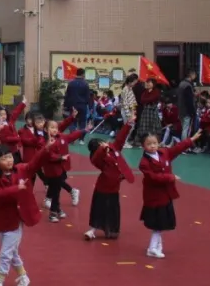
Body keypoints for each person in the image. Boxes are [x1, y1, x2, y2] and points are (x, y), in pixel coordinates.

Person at [0, 139, 54, 286]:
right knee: (11, 252)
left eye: (9, 156)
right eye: (4, 158)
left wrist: (46, 148)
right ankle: (23, 277)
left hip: (17, 220)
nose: (9, 160)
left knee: (5, 253)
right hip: (3, 219)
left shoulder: (22, 169)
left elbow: (35, 163)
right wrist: (17, 188)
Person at [138, 129, 202, 258]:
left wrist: (191, 140)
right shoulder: (144, 163)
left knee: (160, 223)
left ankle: (157, 246)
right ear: (143, 146)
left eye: (154, 143)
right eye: (149, 144)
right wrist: (170, 177)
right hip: (154, 196)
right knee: (158, 224)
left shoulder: (164, 153)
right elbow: (153, 178)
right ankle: (152, 247)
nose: (152, 146)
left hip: (166, 194)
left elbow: (177, 148)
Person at [84, 119, 134, 240]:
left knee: (112, 211)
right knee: (99, 209)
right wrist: (102, 149)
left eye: (103, 143)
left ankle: (110, 229)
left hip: (114, 188)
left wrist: (128, 124)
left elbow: (120, 139)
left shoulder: (113, 150)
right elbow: (97, 157)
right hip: (102, 188)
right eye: (100, 145)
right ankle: (92, 230)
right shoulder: (97, 159)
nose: (105, 144)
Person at [176, 70, 198, 139]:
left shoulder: (181, 84)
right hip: (187, 111)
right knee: (186, 129)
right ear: (191, 75)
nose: (195, 76)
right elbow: (189, 101)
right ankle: (185, 146)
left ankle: (183, 145)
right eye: (195, 75)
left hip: (181, 110)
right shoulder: (188, 85)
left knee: (184, 128)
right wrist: (192, 112)